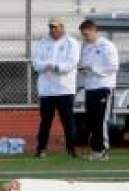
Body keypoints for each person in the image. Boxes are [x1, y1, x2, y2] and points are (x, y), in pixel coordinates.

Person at [32, 17, 80, 158]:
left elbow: (72, 63)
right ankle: (41, 149)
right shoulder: (42, 42)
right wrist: (45, 65)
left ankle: (71, 149)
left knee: (67, 120)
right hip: (46, 89)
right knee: (45, 120)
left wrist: (57, 67)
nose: (53, 30)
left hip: (65, 88)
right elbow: (36, 62)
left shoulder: (72, 43)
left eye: (55, 27)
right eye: (51, 27)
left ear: (62, 27)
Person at [78, 19, 119, 161]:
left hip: (104, 87)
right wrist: (83, 69)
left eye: (87, 34)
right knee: (91, 120)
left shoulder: (107, 46)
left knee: (100, 120)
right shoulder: (86, 47)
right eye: (83, 35)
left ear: (95, 31)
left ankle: (102, 150)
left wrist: (94, 69)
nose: (85, 37)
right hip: (90, 87)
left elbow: (113, 66)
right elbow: (83, 64)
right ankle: (95, 149)